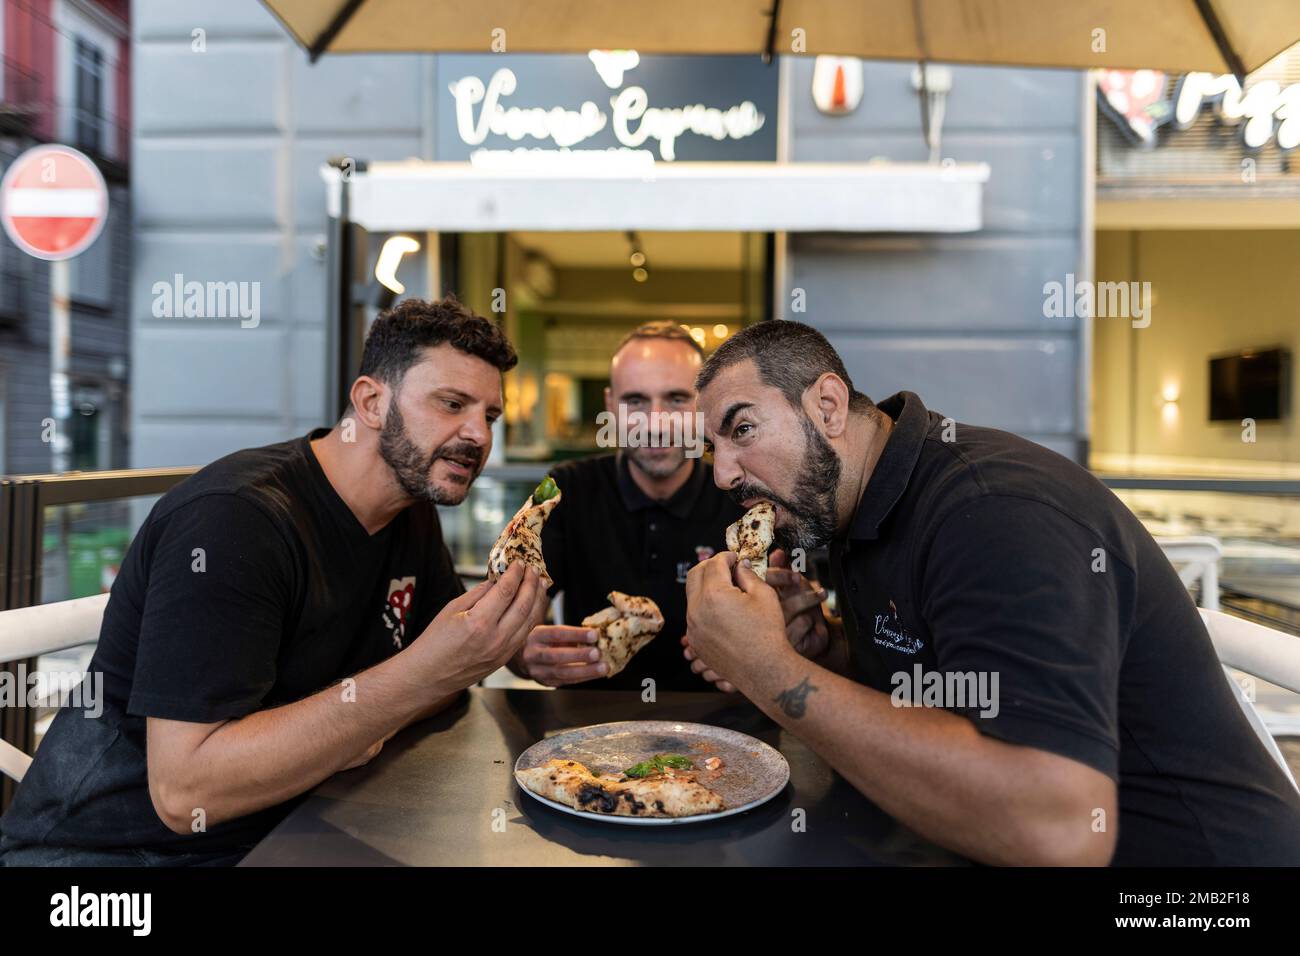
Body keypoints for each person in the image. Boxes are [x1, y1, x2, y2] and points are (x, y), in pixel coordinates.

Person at [683, 319, 1300, 866]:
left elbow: (1056, 832)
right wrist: (827, 647)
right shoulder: (857, 508)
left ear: (827, 405)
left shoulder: (995, 513)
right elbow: (943, 669)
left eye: (742, 429)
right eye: (715, 447)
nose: (723, 474)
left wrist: (769, 669)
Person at [0, 296, 547, 866]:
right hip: (108, 857)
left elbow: (439, 680)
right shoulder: (235, 522)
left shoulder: (410, 510)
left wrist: (512, 649)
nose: (478, 435)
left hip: (294, 823)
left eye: (489, 416)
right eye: (452, 404)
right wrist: (403, 690)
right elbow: (185, 793)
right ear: (371, 402)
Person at [509, 322, 743, 691]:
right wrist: (524, 652)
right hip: (586, 733)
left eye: (677, 399)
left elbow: (785, 627)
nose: (655, 423)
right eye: (635, 401)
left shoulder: (742, 497)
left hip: (719, 729)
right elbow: (517, 607)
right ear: (609, 406)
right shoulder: (567, 489)